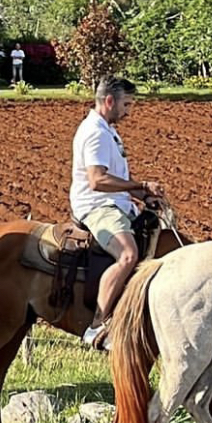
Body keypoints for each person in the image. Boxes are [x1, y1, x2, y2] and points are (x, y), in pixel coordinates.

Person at [69, 75, 163, 347]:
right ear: (109, 101)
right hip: (97, 206)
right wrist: (140, 185)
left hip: (115, 203)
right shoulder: (95, 133)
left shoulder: (107, 130)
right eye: (126, 104)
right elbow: (97, 180)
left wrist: (143, 196)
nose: (128, 111)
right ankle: (97, 326)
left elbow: (117, 178)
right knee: (128, 254)